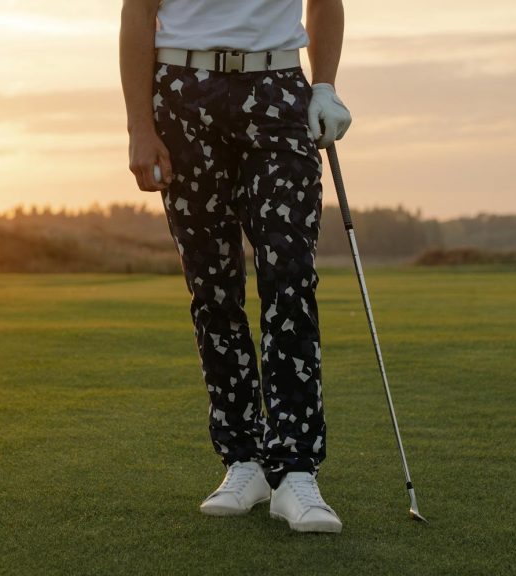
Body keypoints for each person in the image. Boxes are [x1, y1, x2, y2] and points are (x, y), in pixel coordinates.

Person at [119, 0, 352, 533]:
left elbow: (325, 3)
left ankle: (294, 467)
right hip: (182, 95)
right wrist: (139, 126)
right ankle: (242, 460)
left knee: (290, 279)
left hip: (277, 90)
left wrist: (325, 85)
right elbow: (138, 13)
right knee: (212, 290)